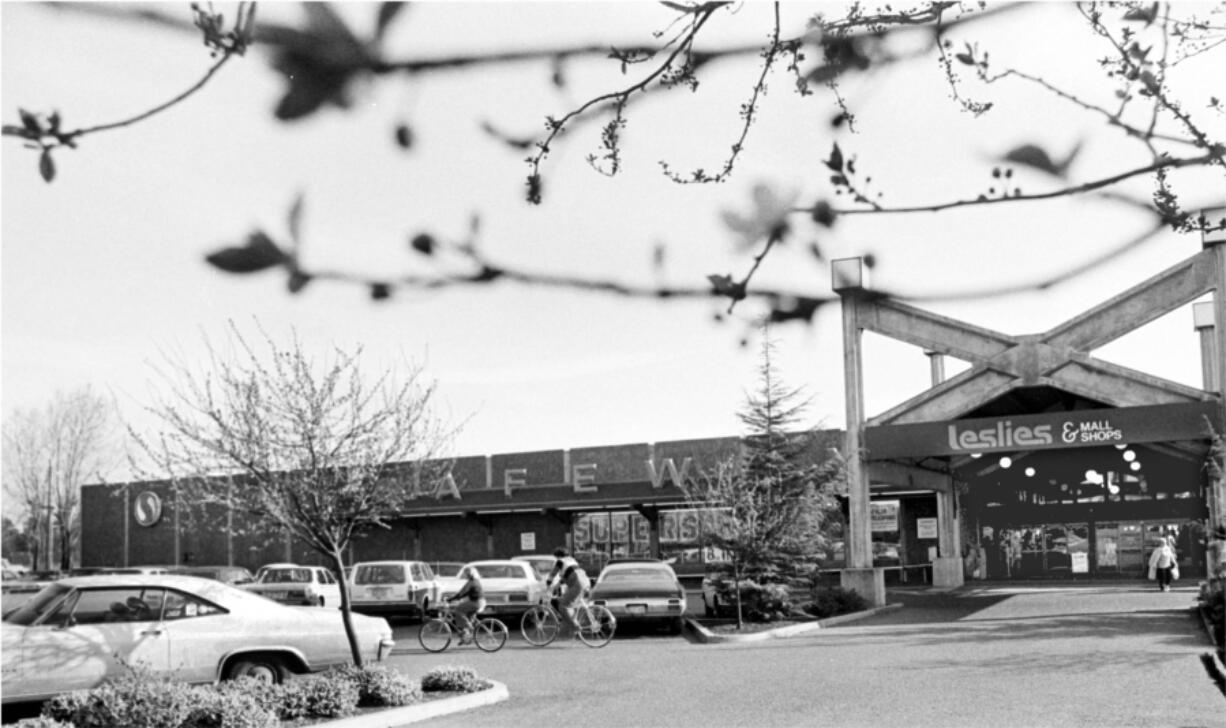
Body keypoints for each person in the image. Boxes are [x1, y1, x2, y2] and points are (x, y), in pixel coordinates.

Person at [544, 547, 591, 637]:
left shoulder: (560, 561)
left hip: (577, 584)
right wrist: (555, 586)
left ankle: (575, 626)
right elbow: (566, 576)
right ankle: (571, 625)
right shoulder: (571, 561)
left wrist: (548, 583)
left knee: (562, 605)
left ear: (558, 556)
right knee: (570, 604)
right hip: (585, 581)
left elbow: (553, 573)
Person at [446, 566, 486, 642]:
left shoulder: (471, 582)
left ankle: (469, 628)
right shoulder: (476, 580)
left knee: (458, 609)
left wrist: (451, 599)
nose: (466, 575)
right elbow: (464, 593)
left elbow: (461, 593)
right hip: (480, 602)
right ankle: (466, 637)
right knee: (468, 616)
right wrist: (455, 598)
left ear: (470, 574)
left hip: (476, 602)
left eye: (467, 573)